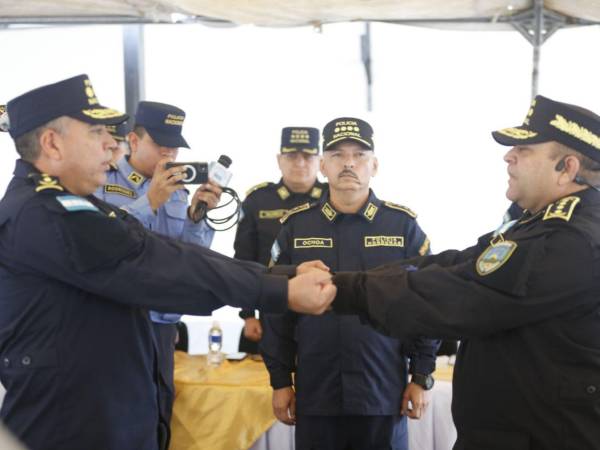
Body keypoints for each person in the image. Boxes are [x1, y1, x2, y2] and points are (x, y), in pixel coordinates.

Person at [0, 74, 335, 450]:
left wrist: (279, 275)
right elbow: (158, 265)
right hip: (73, 428)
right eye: (96, 132)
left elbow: (175, 251)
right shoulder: (48, 214)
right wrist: (279, 288)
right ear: (51, 144)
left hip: (103, 409)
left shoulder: (67, 204)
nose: (112, 144)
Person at [328, 96, 600, 450]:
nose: (508, 156)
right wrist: (342, 278)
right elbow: (457, 263)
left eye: (524, 149)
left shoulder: (571, 241)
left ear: (566, 168)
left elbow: (457, 295)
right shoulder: (540, 225)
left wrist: (337, 290)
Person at [261, 117, 439, 450]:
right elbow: (275, 309)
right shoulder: (296, 227)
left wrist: (421, 375)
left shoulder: (403, 227)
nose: (348, 163)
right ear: (323, 165)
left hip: (383, 392)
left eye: (359, 154)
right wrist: (280, 380)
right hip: (317, 393)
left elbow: (428, 302)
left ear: (375, 165)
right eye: (338, 155)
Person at [95, 100, 222, 424]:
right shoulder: (100, 179)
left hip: (164, 322)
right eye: (160, 146)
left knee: (159, 412)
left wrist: (197, 216)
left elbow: (189, 256)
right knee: (120, 415)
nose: (169, 156)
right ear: (134, 142)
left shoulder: (177, 190)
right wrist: (149, 201)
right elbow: (102, 243)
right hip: (118, 321)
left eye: (174, 148)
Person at [234, 126, 326, 353]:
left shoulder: (333, 199)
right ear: (279, 160)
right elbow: (243, 260)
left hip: (322, 310)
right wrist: (248, 315)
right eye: (291, 156)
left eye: (307, 156)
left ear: (320, 161)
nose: (300, 163)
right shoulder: (257, 200)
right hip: (271, 308)